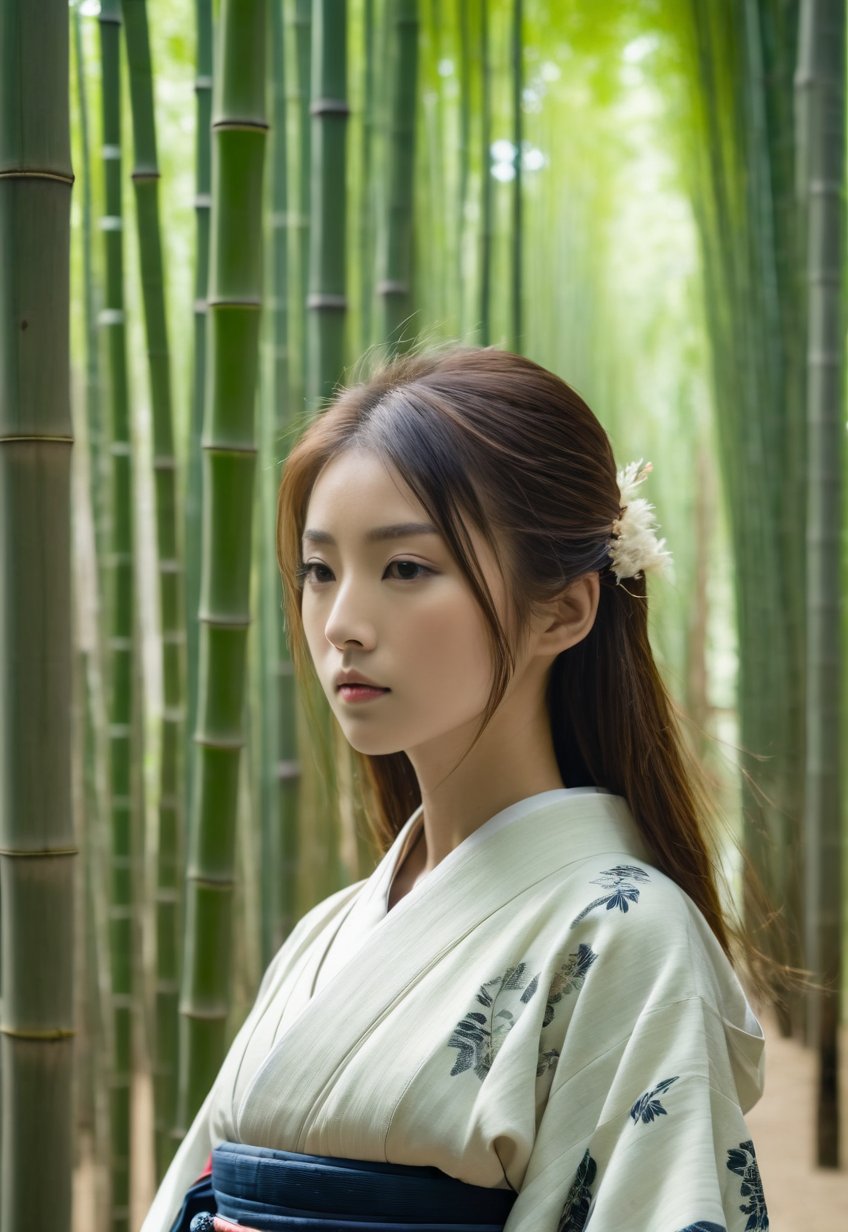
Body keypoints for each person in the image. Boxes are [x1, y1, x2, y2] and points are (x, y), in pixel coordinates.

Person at [143, 347, 769, 1232]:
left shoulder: (629, 941)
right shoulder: (330, 930)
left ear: (565, 610)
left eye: (405, 568)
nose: (343, 626)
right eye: (320, 571)